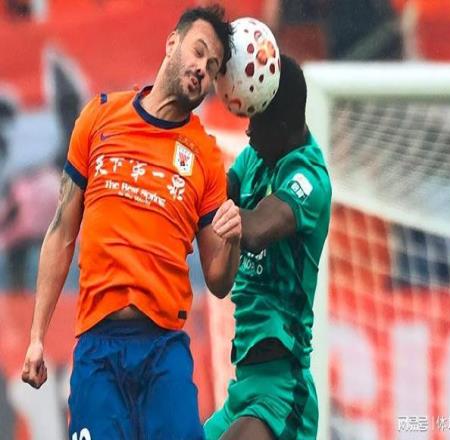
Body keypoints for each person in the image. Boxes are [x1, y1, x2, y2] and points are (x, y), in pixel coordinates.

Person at [21, 5, 241, 439]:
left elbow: (218, 280)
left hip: (163, 351)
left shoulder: (205, 156)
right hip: (98, 351)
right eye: (198, 51)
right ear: (172, 43)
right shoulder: (99, 116)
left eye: (213, 67)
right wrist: (36, 337)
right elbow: (62, 233)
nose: (202, 68)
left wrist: (233, 238)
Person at [204, 55, 332, 440]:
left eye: (256, 120)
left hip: (282, 393)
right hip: (243, 390)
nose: (248, 131)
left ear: (282, 127)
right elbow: (214, 196)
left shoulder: (310, 179)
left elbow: (257, 228)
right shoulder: (254, 159)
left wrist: (211, 210)